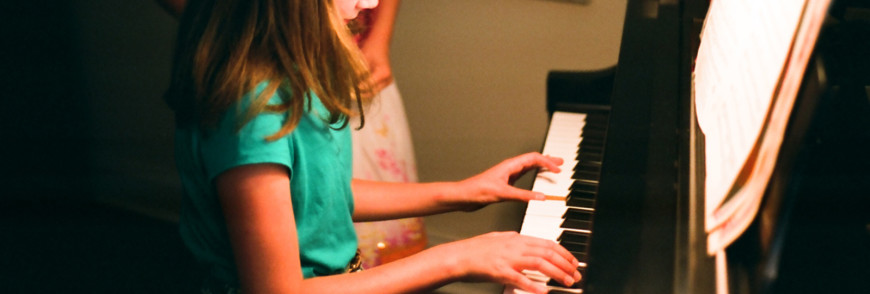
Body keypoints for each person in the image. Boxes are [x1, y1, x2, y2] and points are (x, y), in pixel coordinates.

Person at [164, 0, 582, 293]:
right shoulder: (252, 113)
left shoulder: (298, 73)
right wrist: (456, 259)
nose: (373, 1)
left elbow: (317, 198)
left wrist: (458, 194)